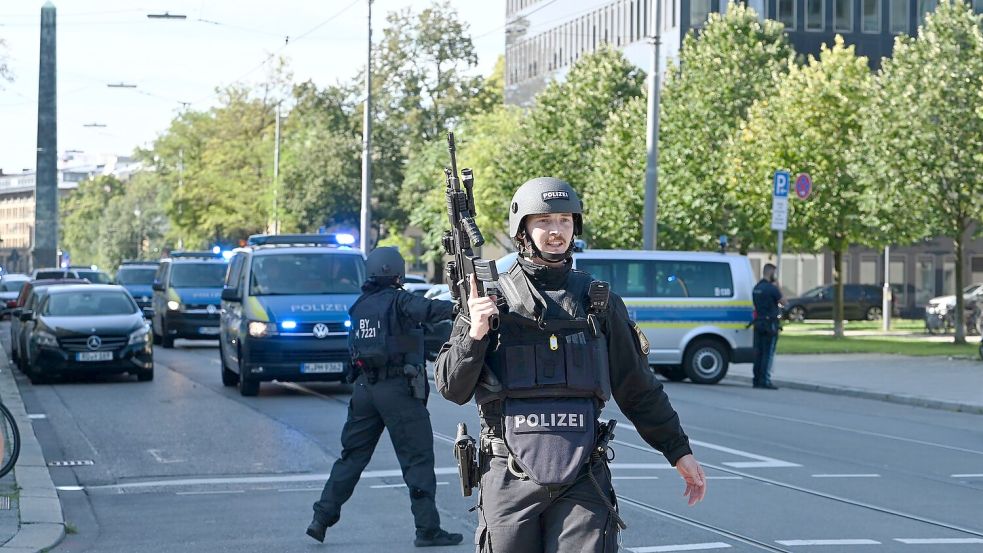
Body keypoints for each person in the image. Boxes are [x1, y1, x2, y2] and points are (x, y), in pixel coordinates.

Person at [434, 177, 707, 553]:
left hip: (583, 476)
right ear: (523, 229)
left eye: (564, 220)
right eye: (544, 221)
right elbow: (451, 386)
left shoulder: (598, 302)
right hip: (509, 473)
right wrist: (475, 333)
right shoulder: (488, 298)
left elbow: (638, 388)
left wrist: (678, 451)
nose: (556, 230)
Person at [307, 246, 463, 548]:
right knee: (417, 460)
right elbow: (429, 310)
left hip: (364, 390)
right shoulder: (400, 300)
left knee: (351, 458)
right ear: (397, 272)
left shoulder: (360, 306)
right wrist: (461, 307)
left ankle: (321, 519)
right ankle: (427, 530)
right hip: (398, 391)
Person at [751, 263, 784, 390]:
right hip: (770, 324)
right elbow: (783, 302)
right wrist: (778, 286)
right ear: (771, 273)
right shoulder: (772, 289)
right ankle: (765, 380)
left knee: (758, 352)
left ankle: (756, 379)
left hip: (758, 323)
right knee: (768, 353)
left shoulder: (756, 288)